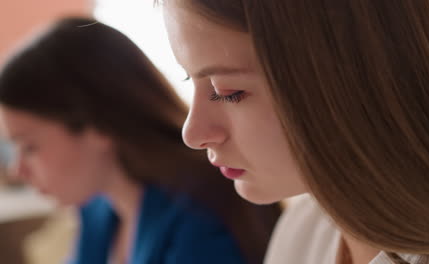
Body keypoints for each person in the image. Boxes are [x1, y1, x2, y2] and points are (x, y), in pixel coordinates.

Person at [159, 0, 429, 263]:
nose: (193, 133)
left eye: (228, 91)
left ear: (349, 76)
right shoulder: (301, 230)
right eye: (189, 78)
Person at [0, 17, 281, 264]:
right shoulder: (98, 207)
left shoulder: (204, 219)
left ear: (98, 125)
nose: (18, 170)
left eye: (29, 147)